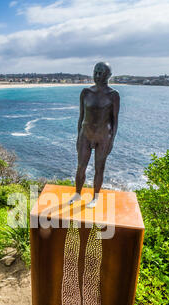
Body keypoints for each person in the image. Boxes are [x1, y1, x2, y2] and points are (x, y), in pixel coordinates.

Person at [69, 62, 120, 208]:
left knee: (99, 168)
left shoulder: (113, 95)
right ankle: (77, 194)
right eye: (95, 72)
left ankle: (95, 197)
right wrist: (78, 136)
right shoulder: (85, 92)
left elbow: (115, 120)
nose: (97, 76)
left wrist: (112, 141)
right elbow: (81, 116)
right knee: (80, 167)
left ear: (108, 76)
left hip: (103, 137)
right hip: (86, 135)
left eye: (101, 73)